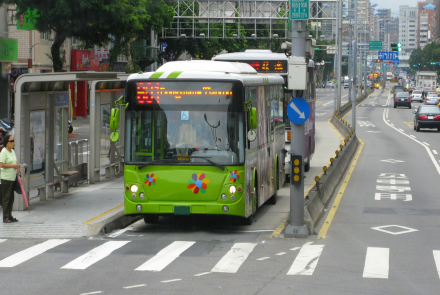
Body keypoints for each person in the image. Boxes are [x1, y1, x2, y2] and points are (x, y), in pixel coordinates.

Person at [0, 134, 20, 223]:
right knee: (6, 197)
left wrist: (17, 166)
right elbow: (1, 164)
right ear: (7, 142)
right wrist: (12, 165)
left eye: (13, 141)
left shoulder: (12, 151)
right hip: (6, 178)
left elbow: (15, 162)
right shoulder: (4, 152)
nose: (13, 143)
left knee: (11, 197)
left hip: (13, 178)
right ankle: (5, 217)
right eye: (11, 141)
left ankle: (10, 215)